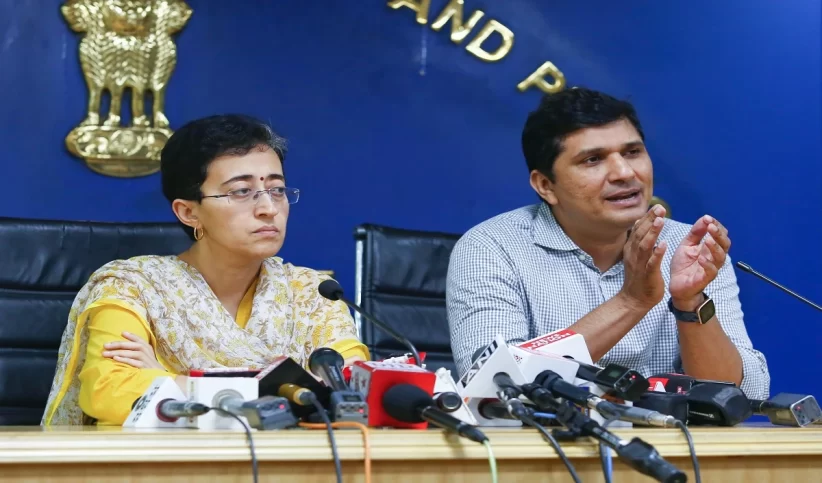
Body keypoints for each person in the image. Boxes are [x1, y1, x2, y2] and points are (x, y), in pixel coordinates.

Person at [42, 115, 369, 426]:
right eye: (241, 192)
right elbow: (108, 392)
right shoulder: (131, 287)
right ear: (188, 212)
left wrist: (173, 382)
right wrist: (291, 391)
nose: (268, 208)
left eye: (277, 189)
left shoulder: (313, 292)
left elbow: (353, 386)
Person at [446, 87, 770, 399]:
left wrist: (690, 303)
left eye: (632, 152)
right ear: (545, 185)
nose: (624, 172)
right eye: (593, 159)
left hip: (672, 437)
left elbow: (745, 394)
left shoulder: (689, 248)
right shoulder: (492, 248)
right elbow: (493, 385)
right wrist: (631, 301)